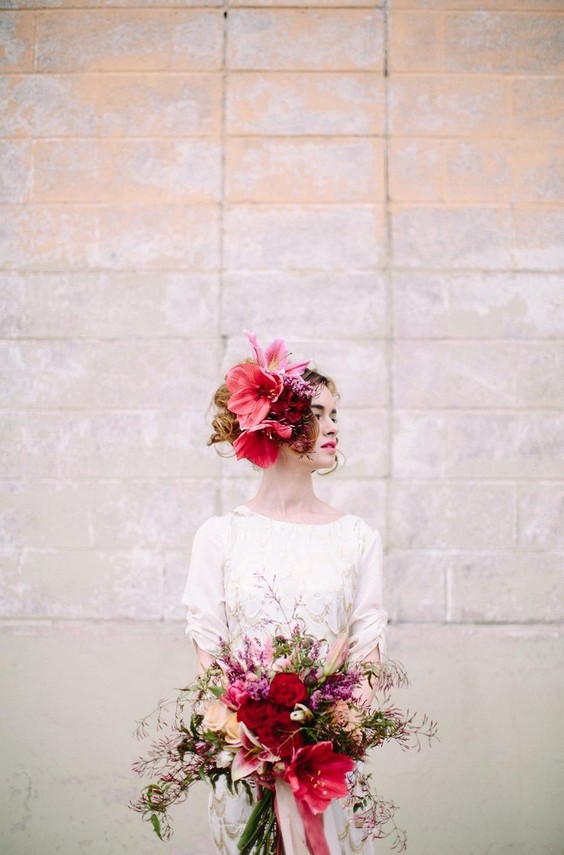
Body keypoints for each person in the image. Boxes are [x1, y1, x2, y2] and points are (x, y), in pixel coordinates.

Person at [182, 331, 387, 855]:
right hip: (247, 764)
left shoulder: (357, 538)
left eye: (336, 413)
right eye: (319, 413)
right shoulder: (221, 536)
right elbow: (210, 655)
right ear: (278, 424)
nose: (334, 426)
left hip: (325, 765)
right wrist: (253, 734)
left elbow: (368, 652)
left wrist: (334, 728)